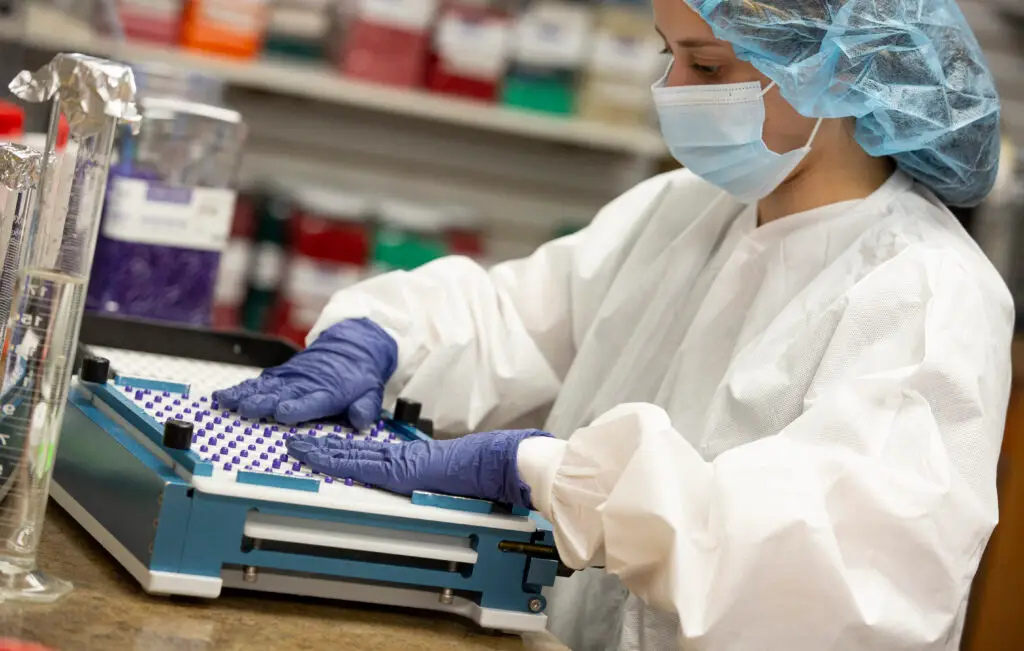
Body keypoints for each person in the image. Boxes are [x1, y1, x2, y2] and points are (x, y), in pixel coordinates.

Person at [214, 0, 1012, 648]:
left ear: (839, 72)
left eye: (707, 66)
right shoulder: (686, 213)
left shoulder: (928, 294)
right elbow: (520, 319)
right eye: (669, 55)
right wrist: (381, 337)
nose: (674, 90)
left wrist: (546, 474)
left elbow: (832, 575)